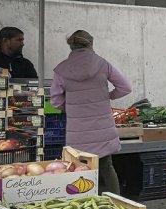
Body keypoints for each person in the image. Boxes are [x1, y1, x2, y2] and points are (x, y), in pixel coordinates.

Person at [50, 30, 131, 194]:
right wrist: (107, 97)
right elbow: (125, 87)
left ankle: (82, 202)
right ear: (91, 44)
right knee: (107, 166)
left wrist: (71, 108)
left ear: (71, 45)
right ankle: (116, 202)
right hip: (102, 129)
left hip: (77, 131)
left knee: (78, 169)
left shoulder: (61, 69)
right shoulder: (103, 64)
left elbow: (55, 101)